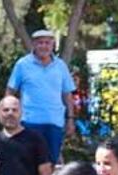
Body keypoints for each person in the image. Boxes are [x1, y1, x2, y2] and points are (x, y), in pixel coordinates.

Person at [6, 29, 76, 163]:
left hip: (54, 122)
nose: (44, 46)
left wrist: (70, 119)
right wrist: (9, 115)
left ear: (53, 45)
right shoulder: (22, 64)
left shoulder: (61, 66)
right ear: (33, 44)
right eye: (40, 43)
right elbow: (10, 91)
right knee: (27, 163)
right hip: (28, 122)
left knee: (51, 163)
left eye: (47, 43)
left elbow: (67, 94)